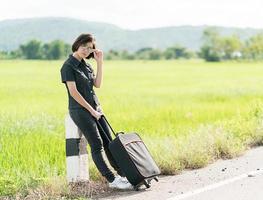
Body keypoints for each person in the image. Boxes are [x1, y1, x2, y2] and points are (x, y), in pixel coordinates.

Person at [60, 33, 133, 190]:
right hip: (80, 111)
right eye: (83, 46)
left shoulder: (86, 65)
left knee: (109, 142)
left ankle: (123, 175)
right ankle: (112, 180)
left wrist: (100, 62)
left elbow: (97, 84)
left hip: (96, 109)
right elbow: (74, 92)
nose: (86, 50)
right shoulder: (68, 66)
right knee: (97, 144)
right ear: (77, 45)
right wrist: (91, 110)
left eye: (89, 48)